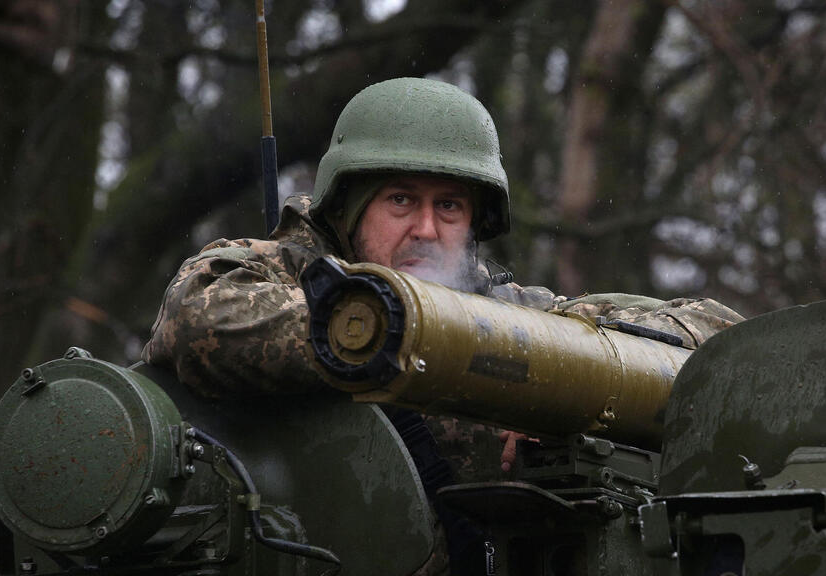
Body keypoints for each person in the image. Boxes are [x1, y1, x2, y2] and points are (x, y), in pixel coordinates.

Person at [143, 77, 743, 574]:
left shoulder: (509, 313)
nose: (427, 229)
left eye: (449, 206)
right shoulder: (270, 274)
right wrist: (388, 331)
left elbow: (715, 336)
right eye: (401, 200)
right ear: (350, 206)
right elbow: (200, 321)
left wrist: (558, 383)